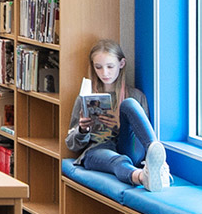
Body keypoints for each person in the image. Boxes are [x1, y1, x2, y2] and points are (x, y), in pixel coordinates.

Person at [64, 38, 169, 192]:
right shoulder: (86, 97)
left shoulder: (135, 95)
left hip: (128, 147)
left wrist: (119, 126)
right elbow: (72, 145)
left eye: (110, 66)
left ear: (121, 64)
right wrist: (82, 129)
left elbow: (142, 132)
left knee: (130, 104)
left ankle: (159, 160)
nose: (104, 73)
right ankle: (142, 177)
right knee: (118, 161)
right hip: (98, 150)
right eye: (98, 67)